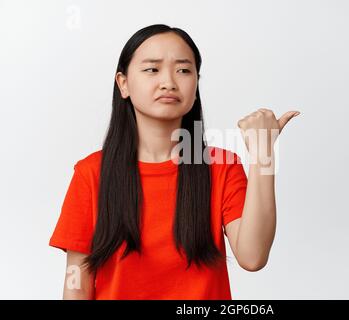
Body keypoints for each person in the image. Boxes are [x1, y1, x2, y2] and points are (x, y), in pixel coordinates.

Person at [49, 24, 300, 300]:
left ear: (196, 85)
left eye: (183, 70)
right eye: (152, 69)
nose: (168, 82)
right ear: (123, 84)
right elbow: (76, 282)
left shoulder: (221, 166)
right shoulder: (91, 173)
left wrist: (263, 153)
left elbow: (253, 256)